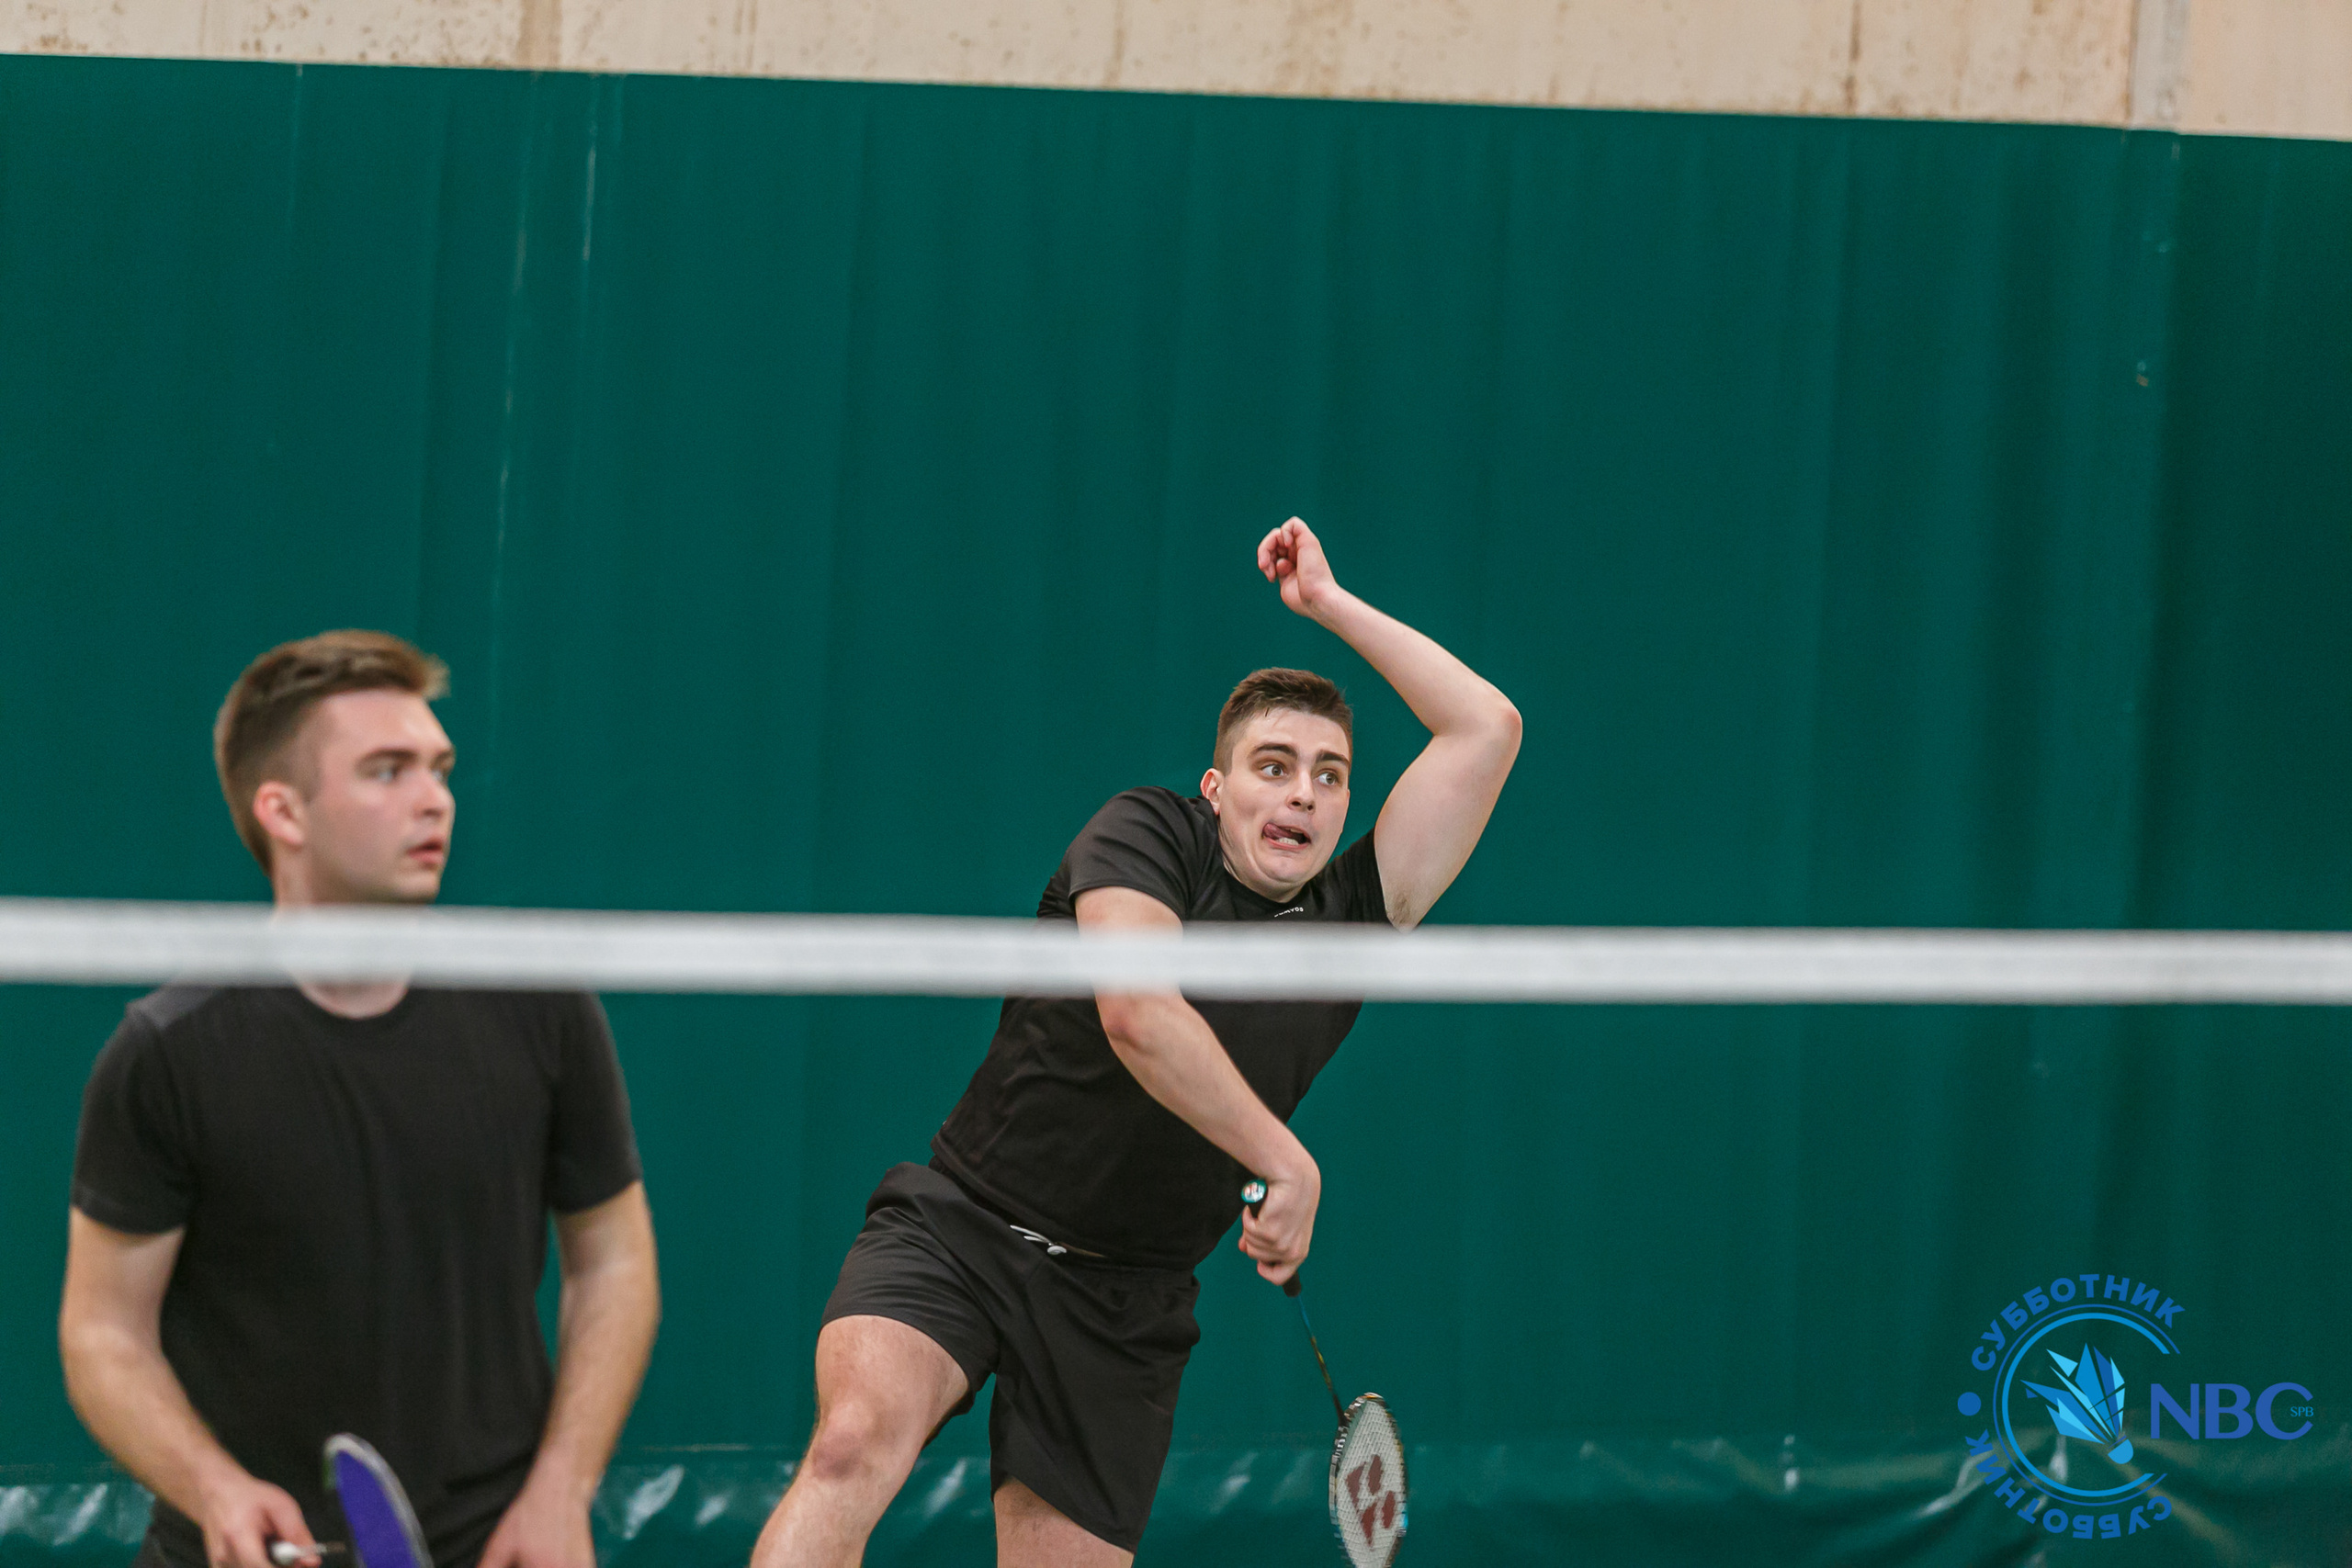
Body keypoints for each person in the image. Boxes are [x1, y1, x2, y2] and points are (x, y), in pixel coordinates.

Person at [752, 518, 1521, 1566]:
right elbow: (1137, 1013)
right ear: (1217, 791)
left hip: (1125, 1300)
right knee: (851, 1445)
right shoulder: (1148, 832)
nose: (1303, 791)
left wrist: (1330, 606)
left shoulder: (1354, 923)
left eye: (1330, 775)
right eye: (1274, 764)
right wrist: (1283, 1158)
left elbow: (1484, 727)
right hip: (966, 1227)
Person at [59, 631, 662, 1568]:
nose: (434, 799)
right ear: (282, 812)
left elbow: (613, 1262)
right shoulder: (167, 1053)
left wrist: (562, 1490)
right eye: (387, 771)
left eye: (439, 767)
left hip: (494, 1542)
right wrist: (213, 1487)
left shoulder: (540, 1006)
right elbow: (103, 1328)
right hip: (258, 1550)